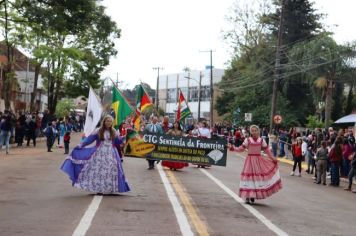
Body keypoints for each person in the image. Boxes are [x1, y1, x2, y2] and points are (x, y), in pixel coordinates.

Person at [61, 115, 130, 194]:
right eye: (107, 121)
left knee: (111, 171)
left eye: (110, 121)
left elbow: (119, 142)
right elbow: (89, 140)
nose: (109, 123)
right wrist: (81, 145)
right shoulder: (98, 131)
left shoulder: (114, 131)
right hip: (99, 154)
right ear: (104, 122)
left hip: (111, 154)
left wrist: (125, 138)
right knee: (99, 171)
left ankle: (110, 189)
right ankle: (99, 189)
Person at [229, 125, 282, 204]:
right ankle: (248, 196)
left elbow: (267, 151)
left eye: (255, 130)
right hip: (249, 161)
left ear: (258, 131)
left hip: (258, 160)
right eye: (252, 131)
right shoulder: (248, 140)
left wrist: (273, 159)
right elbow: (241, 149)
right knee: (249, 178)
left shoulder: (261, 140)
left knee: (256, 179)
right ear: (250, 132)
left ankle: (253, 195)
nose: (254, 132)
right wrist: (233, 148)